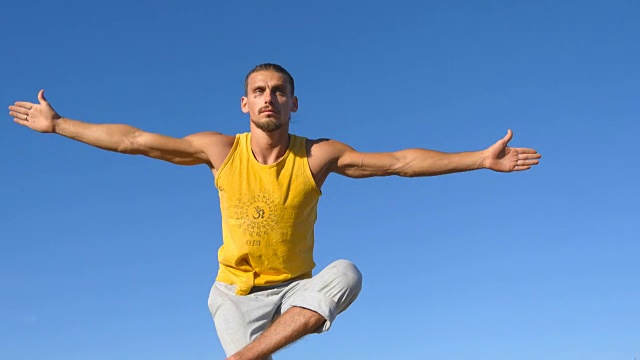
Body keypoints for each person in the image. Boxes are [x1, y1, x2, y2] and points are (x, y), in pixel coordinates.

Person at [8, 63, 541, 360]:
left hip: (293, 291)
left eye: (279, 91)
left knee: (347, 273)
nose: (269, 98)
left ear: (293, 104)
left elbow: (400, 162)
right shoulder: (220, 150)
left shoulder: (319, 154)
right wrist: (59, 125)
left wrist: (478, 159)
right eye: (259, 91)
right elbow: (136, 141)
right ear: (245, 103)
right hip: (233, 296)